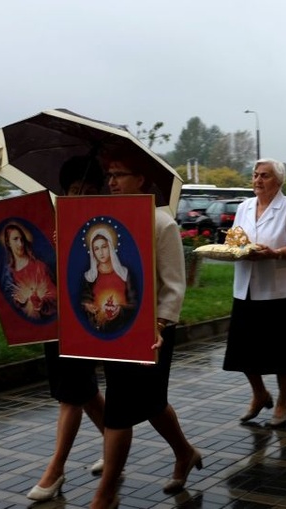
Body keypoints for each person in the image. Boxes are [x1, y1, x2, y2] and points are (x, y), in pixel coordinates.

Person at [0, 155, 107, 503]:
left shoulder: (106, 226)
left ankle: (56, 469)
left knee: (71, 394)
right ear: (64, 191)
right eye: (76, 190)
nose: (82, 196)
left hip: (86, 320)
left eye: (91, 190)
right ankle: (119, 444)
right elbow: (28, 273)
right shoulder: (47, 224)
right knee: (82, 391)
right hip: (53, 323)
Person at [90, 149, 200, 509]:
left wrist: (160, 323)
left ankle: (105, 495)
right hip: (112, 332)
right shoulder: (105, 222)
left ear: (141, 180)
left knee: (120, 410)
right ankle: (185, 452)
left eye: (120, 174)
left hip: (151, 335)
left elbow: (174, 285)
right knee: (152, 404)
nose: (112, 182)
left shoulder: (160, 223)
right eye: (109, 175)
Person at [222, 158, 286, 428]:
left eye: (265, 176)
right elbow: (236, 239)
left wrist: (276, 253)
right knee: (243, 350)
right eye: (255, 175)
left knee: (283, 352)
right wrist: (234, 247)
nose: (258, 180)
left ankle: (283, 401)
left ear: (278, 181)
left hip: (281, 291)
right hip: (247, 288)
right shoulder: (244, 207)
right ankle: (259, 393)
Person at [81, 226, 137, 333]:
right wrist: (87, 306)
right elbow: (84, 301)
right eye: (96, 249)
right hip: (99, 330)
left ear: (110, 247)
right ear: (93, 252)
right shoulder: (89, 277)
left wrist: (120, 310)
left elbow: (134, 304)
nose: (101, 252)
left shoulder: (124, 273)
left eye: (104, 247)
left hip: (123, 328)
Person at [0, 221, 57, 320]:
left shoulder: (39, 266)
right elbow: (5, 299)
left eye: (21, 239)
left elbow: (55, 295)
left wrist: (41, 302)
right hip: (22, 326)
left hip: (46, 324)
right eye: (15, 239)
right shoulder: (8, 273)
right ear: (8, 242)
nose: (20, 244)